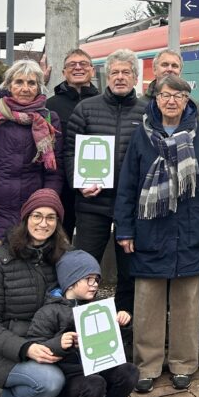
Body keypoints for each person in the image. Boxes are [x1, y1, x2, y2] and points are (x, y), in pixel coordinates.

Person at [115, 74, 199, 393]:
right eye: (165, 95)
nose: (171, 101)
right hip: (150, 229)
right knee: (147, 302)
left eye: (179, 96)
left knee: (188, 301)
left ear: (188, 101)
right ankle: (147, 365)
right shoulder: (142, 135)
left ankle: (184, 363)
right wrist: (125, 229)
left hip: (190, 230)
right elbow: (128, 185)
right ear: (155, 99)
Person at [0, 189, 71, 397]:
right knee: (50, 382)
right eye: (37, 216)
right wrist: (25, 348)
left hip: (53, 342)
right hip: (8, 352)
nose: (43, 223)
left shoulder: (64, 257)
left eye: (51, 217)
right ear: (26, 218)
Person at [25, 249, 139, 397]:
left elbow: (114, 343)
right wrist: (59, 344)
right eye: (89, 279)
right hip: (70, 376)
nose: (95, 285)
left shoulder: (97, 307)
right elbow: (35, 343)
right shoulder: (49, 311)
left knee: (129, 371)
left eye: (97, 280)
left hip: (99, 366)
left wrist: (122, 322)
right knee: (95, 384)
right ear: (71, 280)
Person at [65, 50, 148, 320]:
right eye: (115, 72)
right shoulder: (86, 108)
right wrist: (79, 185)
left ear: (135, 77)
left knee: (130, 271)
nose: (120, 77)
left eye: (126, 72)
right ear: (106, 77)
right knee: (85, 269)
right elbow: (69, 152)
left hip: (132, 207)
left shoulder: (148, 111)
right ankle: (83, 332)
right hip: (92, 204)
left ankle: (125, 328)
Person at [0, 60, 63, 277]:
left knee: (27, 276)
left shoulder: (48, 119)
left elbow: (54, 173)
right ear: (8, 85)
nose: (25, 88)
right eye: (19, 82)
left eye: (31, 83)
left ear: (39, 87)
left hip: (31, 212)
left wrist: (46, 206)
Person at [47, 49, 99, 238]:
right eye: (72, 64)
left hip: (96, 185)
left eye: (83, 64)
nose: (78, 67)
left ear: (92, 71)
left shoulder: (102, 102)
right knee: (59, 238)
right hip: (61, 185)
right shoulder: (50, 105)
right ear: (63, 72)